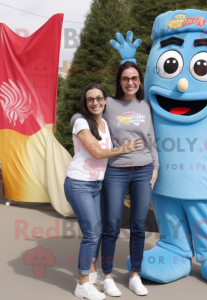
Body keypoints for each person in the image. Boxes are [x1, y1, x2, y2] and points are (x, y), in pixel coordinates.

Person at [71, 62, 159, 296]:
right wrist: (76, 123)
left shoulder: (145, 106)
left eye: (134, 78)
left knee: (139, 225)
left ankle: (135, 275)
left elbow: (151, 138)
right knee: (111, 226)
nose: (130, 82)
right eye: (125, 78)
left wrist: (155, 166)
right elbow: (84, 114)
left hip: (143, 170)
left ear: (139, 80)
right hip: (115, 171)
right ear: (119, 81)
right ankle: (107, 276)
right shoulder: (108, 104)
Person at [64, 83, 141, 300]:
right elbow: (96, 152)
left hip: (96, 185)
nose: (95, 102)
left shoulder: (105, 123)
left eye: (99, 98)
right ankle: (82, 284)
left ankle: (92, 273)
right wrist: (124, 149)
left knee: (96, 232)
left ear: (105, 101)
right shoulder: (81, 121)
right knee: (91, 234)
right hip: (78, 183)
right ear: (85, 103)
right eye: (90, 99)